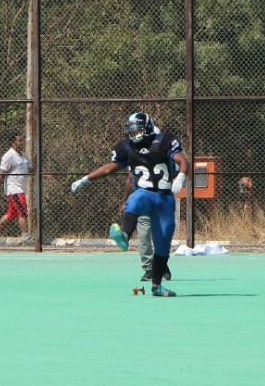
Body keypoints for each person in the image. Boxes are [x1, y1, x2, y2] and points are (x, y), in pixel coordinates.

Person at [71, 112, 187, 296]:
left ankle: (156, 286)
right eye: (131, 131)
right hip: (145, 192)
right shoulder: (126, 147)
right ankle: (124, 235)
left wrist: (182, 174)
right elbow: (110, 167)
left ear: (148, 128)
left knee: (163, 244)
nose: (133, 134)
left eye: (137, 130)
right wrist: (86, 179)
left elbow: (182, 160)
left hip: (165, 198)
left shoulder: (165, 140)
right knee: (135, 200)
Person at [121, 173, 172, 282]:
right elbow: (130, 180)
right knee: (144, 236)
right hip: (143, 203)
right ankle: (149, 268)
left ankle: (162, 265)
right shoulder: (135, 159)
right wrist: (125, 202)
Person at [0, 133, 32, 243]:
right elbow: (1, 174)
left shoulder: (23, 155)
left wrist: (44, 175)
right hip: (14, 190)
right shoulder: (8, 156)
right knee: (22, 212)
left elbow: (31, 170)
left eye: (22, 140)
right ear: (13, 142)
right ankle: (26, 237)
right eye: (19, 140)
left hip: (21, 189)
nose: (22, 142)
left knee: (11, 214)